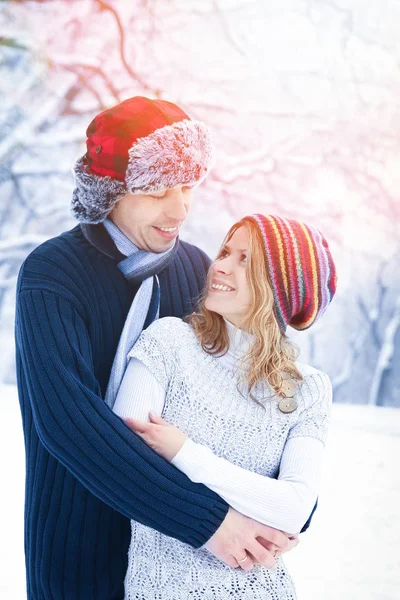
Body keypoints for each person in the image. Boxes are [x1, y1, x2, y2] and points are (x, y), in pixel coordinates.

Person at [15, 97, 291, 600]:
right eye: (159, 189)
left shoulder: (194, 270)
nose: (180, 208)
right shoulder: (52, 274)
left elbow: (237, 399)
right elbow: (68, 423)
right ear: (110, 193)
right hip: (78, 549)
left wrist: (274, 506)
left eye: (187, 186)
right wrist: (209, 523)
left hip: (178, 562)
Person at [112, 213, 337, 599]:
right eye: (225, 251)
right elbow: (121, 465)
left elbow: (295, 508)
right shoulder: (168, 343)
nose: (220, 265)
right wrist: (248, 507)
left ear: (278, 288)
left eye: (245, 260)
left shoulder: (309, 389)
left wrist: (183, 452)